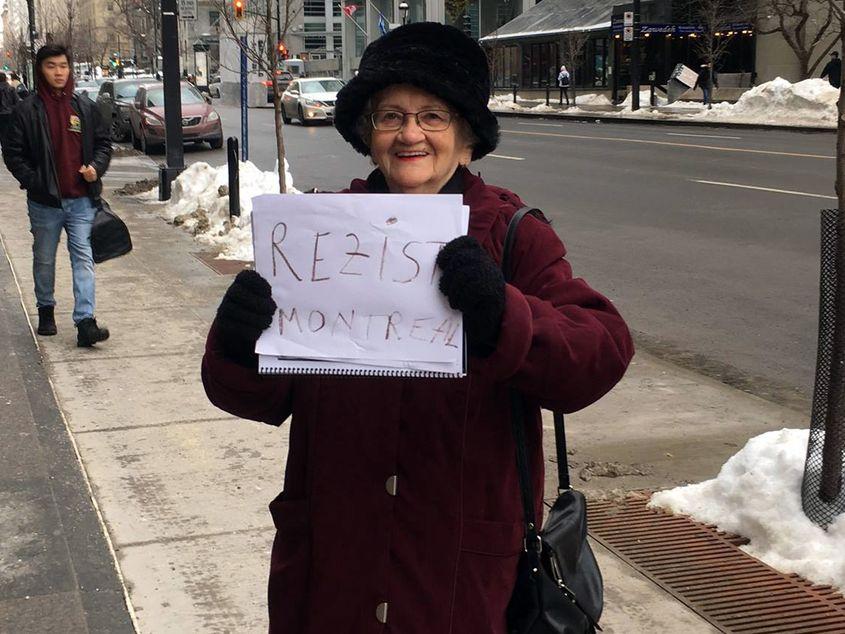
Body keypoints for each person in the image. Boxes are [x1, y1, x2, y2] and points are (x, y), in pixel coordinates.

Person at [201, 22, 633, 634]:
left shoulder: (512, 235)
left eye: (433, 116)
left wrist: (502, 317)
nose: (410, 134)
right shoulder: (320, 236)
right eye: (391, 116)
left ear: (467, 140)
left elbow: (600, 352)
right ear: (368, 135)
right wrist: (240, 341)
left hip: (458, 577)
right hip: (333, 569)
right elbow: (259, 395)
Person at [2, 44, 111, 346]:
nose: (59, 72)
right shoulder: (26, 110)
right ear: (41, 70)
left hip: (81, 201)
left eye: (63, 65)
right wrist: (34, 181)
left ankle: (86, 322)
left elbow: (104, 144)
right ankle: (46, 308)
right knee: (45, 259)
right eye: (51, 66)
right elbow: (12, 153)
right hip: (45, 202)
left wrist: (95, 168)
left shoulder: (84, 107)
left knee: (83, 259)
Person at [0, 72, 21, 143]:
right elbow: (17, 102)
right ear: (5, 79)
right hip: (11, 114)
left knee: (2, 134)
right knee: (12, 133)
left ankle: (4, 147)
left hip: (1, 115)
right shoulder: (11, 89)